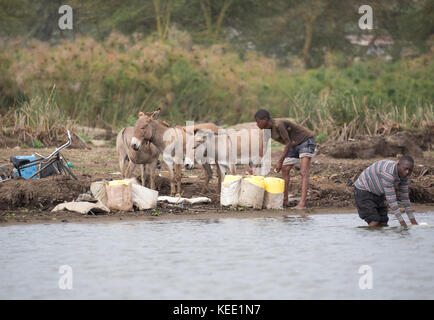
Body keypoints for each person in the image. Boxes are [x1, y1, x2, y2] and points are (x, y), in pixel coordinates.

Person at [252, 109, 316, 209]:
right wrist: (255, 165)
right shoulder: (266, 130)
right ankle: (285, 200)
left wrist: (280, 161)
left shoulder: (279, 125)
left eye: (258, 121)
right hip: (293, 144)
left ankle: (302, 204)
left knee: (304, 172)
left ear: (265, 119)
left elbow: (287, 142)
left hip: (305, 141)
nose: (257, 124)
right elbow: (263, 148)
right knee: (285, 170)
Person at [354, 155, 418, 227]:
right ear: (398, 165)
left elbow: (405, 198)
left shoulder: (405, 175)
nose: (407, 172)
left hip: (378, 193)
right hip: (363, 190)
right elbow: (392, 201)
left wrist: (414, 222)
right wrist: (403, 224)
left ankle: (379, 238)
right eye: (405, 169)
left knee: (383, 221)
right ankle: (366, 237)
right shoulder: (388, 174)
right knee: (374, 220)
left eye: (410, 170)